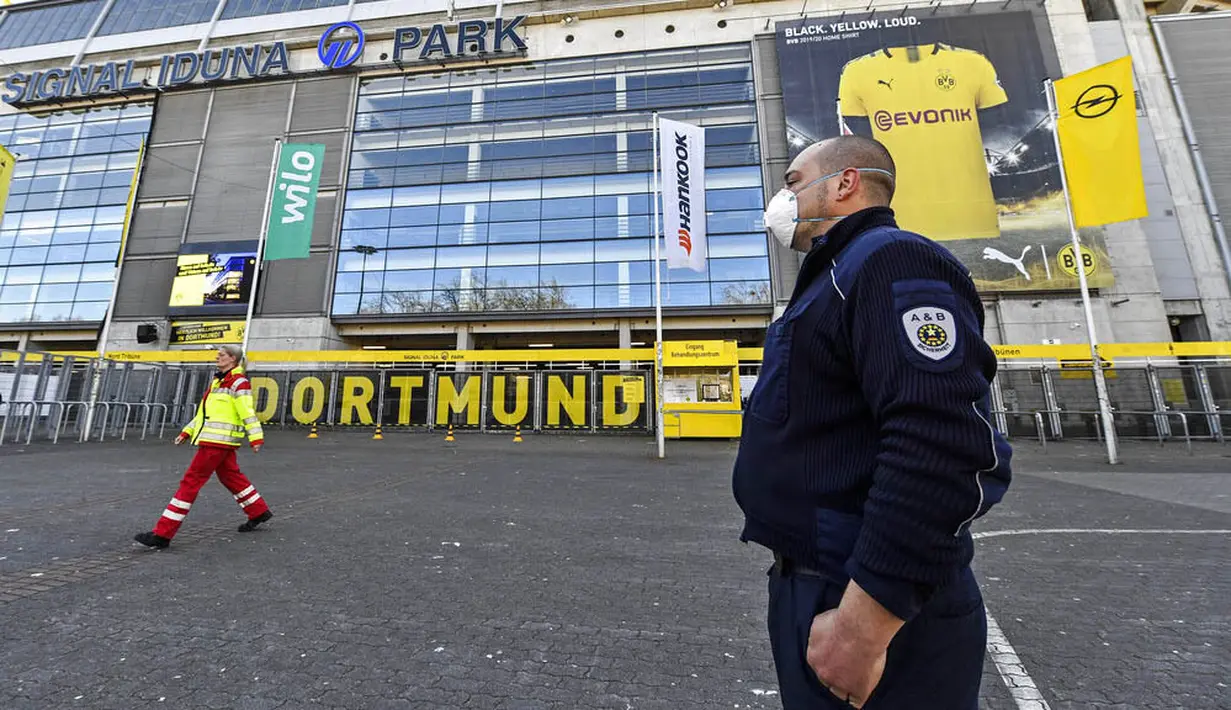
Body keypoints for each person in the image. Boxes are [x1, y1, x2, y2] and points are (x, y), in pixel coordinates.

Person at [732, 135, 1012, 709]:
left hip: (861, 595)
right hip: (819, 582)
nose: (780, 199)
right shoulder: (832, 275)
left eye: (792, 181)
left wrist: (863, 627)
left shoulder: (890, 260)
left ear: (843, 183)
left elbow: (942, 446)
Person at [135, 344, 272, 549]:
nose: (218, 357)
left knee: (190, 482)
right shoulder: (219, 381)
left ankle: (163, 534)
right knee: (231, 477)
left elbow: (247, 411)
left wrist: (256, 437)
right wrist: (187, 431)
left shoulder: (238, 382)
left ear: (232, 359)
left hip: (217, 442)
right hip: (217, 441)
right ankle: (259, 511)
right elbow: (204, 414)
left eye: (222, 355)